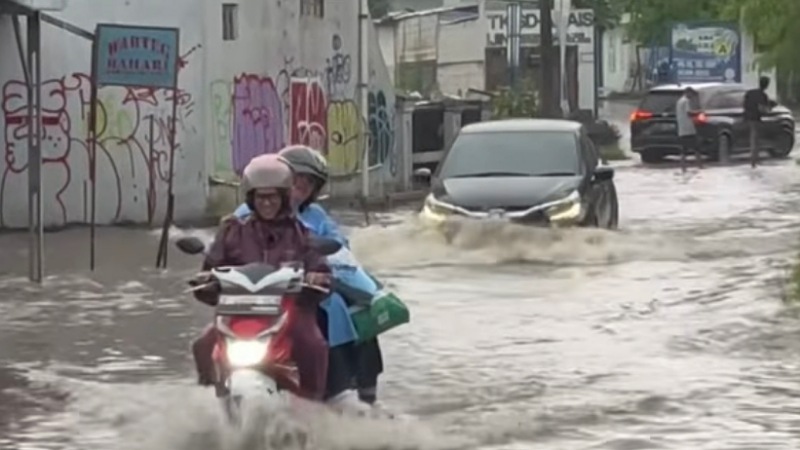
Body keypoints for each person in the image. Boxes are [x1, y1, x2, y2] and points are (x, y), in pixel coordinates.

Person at [234, 145, 386, 407]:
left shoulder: (315, 215)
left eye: (309, 182)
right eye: (297, 178)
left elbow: (338, 244)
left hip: (307, 289)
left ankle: (345, 389)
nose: (302, 185)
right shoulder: (248, 212)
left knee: (349, 313)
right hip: (259, 293)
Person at [191, 153, 332, 402]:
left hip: (288, 312)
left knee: (314, 345)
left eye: (273, 197)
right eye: (261, 197)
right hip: (238, 313)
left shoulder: (301, 235)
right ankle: (209, 399)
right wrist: (205, 281)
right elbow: (211, 267)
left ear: (284, 198)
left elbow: (320, 267)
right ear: (251, 199)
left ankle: (313, 405)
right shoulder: (232, 231)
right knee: (202, 344)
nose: (267, 203)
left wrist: (318, 278)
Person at [744, 76, 775, 168]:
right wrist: (771, 107)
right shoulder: (763, 96)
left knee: (754, 139)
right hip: (755, 120)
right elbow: (763, 109)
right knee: (755, 140)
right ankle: (754, 161)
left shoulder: (750, 93)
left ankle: (755, 160)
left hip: (746, 118)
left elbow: (744, 104)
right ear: (766, 85)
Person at [675, 86, 703, 170]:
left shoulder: (679, 101)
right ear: (688, 92)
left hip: (681, 129)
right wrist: (699, 112)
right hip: (689, 129)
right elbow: (689, 113)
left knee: (683, 150)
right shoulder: (686, 101)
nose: (692, 96)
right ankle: (699, 166)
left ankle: (683, 167)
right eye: (691, 94)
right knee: (696, 148)